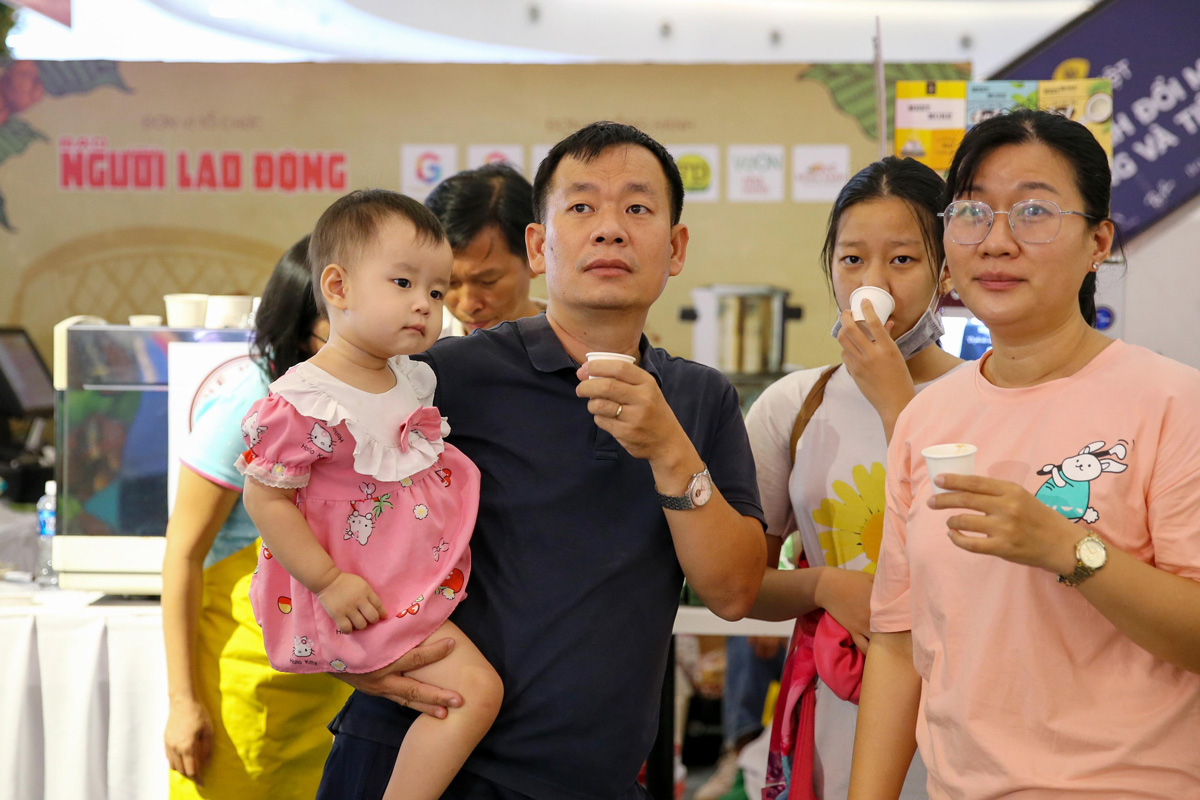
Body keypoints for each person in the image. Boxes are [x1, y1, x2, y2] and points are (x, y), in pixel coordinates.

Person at [315, 121, 768, 800]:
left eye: (637, 208)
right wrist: (343, 650)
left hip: (589, 780)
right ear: (539, 243)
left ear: (674, 248)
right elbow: (313, 495)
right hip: (416, 760)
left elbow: (733, 592)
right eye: (581, 207)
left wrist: (670, 450)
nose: (610, 229)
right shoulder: (445, 378)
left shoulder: (700, 399)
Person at [850, 109, 1200, 799]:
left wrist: (1071, 550)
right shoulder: (927, 419)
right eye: (973, 212)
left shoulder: (1172, 402)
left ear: (1098, 240)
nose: (998, 241)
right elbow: (896, 643)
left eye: (1035, 211)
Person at [238, 190, 502, 800]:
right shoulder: (302, 400)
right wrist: (329, 583)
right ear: (337, 286)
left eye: (436, 292)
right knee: (475, 694)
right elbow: (265, 500)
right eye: (404, 282)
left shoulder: (410, 377)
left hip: (400, 584)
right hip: (358, 597)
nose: (424, 305)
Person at [745, 156, 957, 800]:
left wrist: (898, 401)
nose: (873, 283)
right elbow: (739, 587)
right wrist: (825, 585)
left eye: (902, 260)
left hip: (962, 707)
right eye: (852, 260)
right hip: (835, 700)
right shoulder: (793, 403)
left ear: (946, 269)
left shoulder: (986, 395)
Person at [161, 236, 351, 799]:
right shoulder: (253, 398)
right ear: (297, 330)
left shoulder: (358, 396)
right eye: (335, 325)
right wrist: (182, 703)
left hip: (332, 679)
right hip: (248, 680)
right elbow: (182, 554)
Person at [425, 163, 546, 336]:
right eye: (450, 283)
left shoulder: (580, 349)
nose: (468, 305)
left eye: (487, 281)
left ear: (535, 252)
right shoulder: (416, 353)